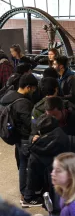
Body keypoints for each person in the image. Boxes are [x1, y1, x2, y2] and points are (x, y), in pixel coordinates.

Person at [0, 74, 39, 207]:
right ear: (28, 87)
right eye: (33, 88)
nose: (34, 91)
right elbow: (30, 124)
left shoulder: (8, 95)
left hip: (15, 136)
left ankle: (24, 193)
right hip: (24, 139)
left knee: (23, 165)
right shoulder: (23, 103)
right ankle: (28, 196)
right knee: (28, 167)